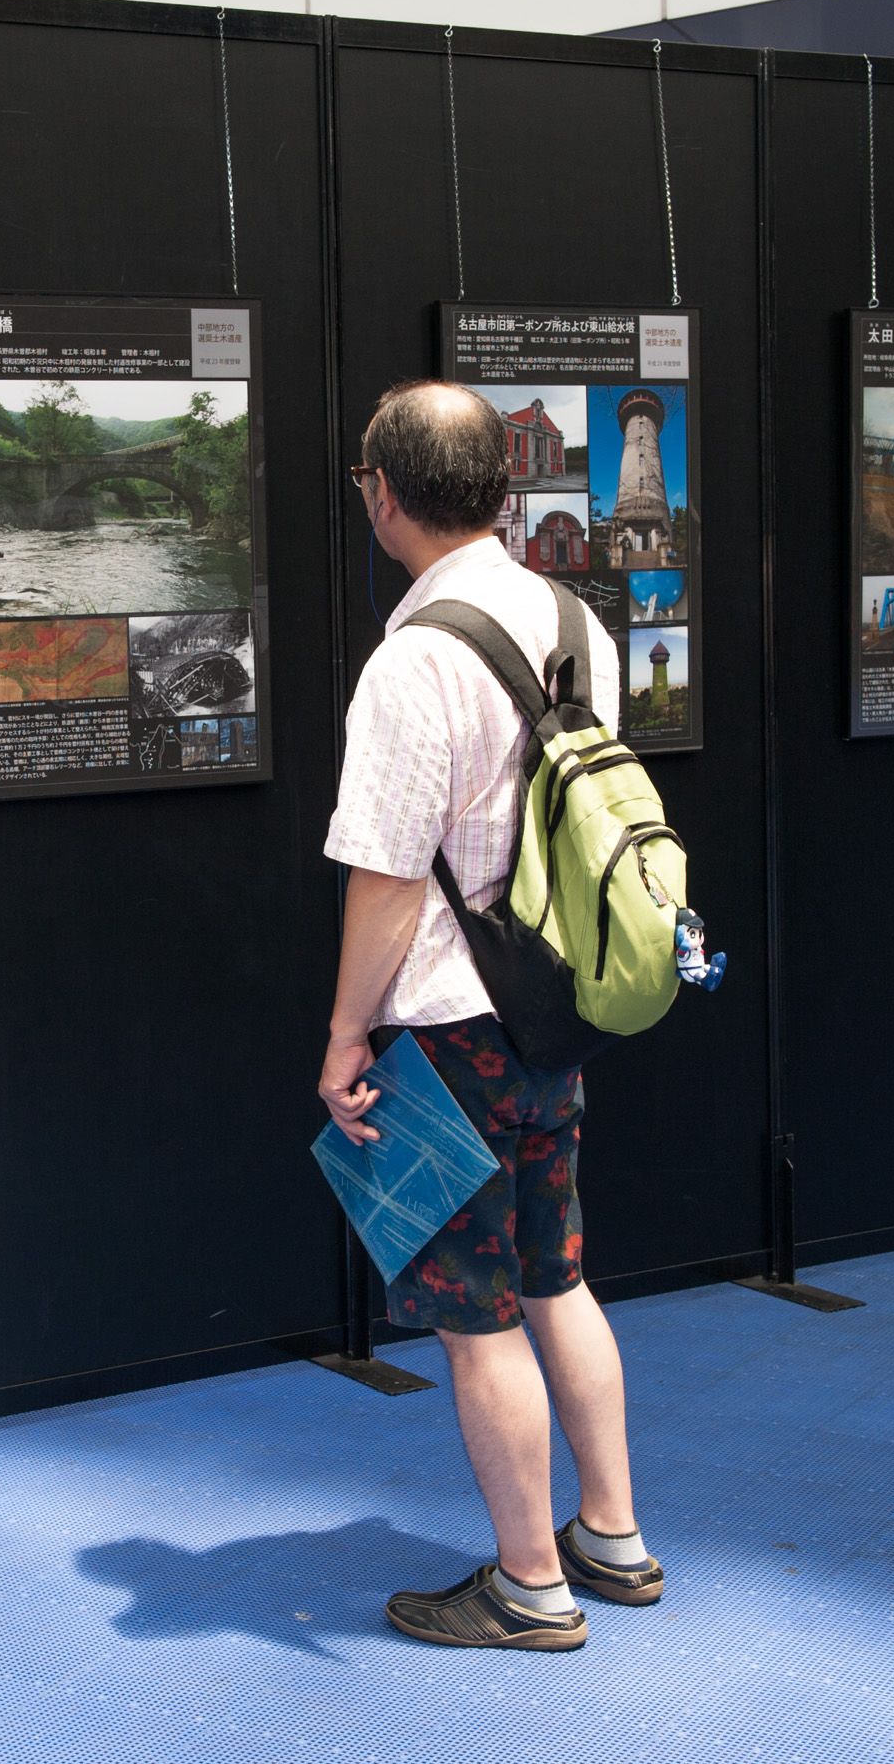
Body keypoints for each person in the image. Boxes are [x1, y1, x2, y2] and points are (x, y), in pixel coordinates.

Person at [319, 380, 653, 1655]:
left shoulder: (413, 660)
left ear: (383, 496)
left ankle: (529, 1584)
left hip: (450, 1027)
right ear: (505, 492)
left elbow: (388, 876)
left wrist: (345, 1034)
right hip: (552, 1006)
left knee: (478, 1316)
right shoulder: (575, 619)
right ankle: (611, 1534)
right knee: (559, 1274)